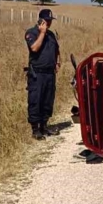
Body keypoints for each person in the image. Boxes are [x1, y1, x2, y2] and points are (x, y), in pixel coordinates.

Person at [25, 9, 61, 140]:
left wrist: (57, 62)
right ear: (40, 20)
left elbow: (57, 49)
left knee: (47, 100)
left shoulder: (51, 35)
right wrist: (42, 32)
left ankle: (44, 126)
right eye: (47, 21)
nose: (49, 23)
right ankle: (35, 130)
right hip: (37, 74)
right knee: (36, 100)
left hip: (50, 73)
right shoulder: (31, 33)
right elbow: (34, 48)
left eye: (50, 20)